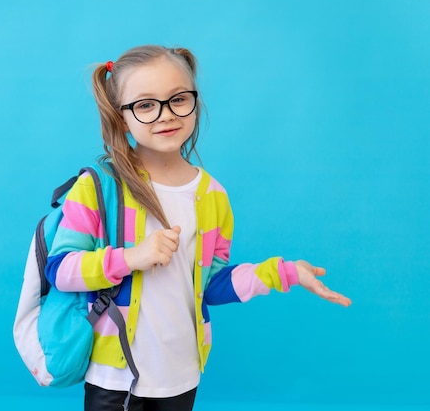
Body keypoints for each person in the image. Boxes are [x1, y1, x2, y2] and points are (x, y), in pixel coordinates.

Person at [44, 45, 352, 411]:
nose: (166, 114)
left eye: (178, 98)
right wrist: (130, 257)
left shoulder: (213, 196)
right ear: (121, 116)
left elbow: (212, 284)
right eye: (145, 104)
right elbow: (60, 270)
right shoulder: (100, 188)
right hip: (114, 377)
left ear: (195, 100)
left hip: (182, 373)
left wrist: (286, 273)